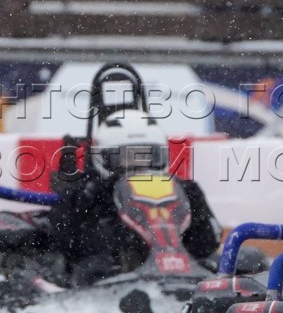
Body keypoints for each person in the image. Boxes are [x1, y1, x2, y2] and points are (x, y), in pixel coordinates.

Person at [45, 107, 221, 285]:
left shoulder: (186, 189)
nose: (138, 162)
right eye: (127, 156)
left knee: (221, 263)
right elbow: (66, 238)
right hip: (113, 273)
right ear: (104, 158)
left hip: (185, 268)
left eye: (145, 155)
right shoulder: (94, 192)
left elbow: (207, 242)